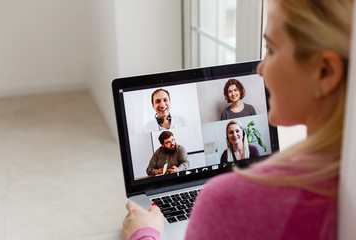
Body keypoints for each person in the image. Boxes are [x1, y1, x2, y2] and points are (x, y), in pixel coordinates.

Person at [122, 0, 352, 239]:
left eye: (271, 50)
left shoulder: (227, 197)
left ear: (325, 72)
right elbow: (149, 169)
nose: (260, 69)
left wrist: (143, 234)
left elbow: (186, 164)